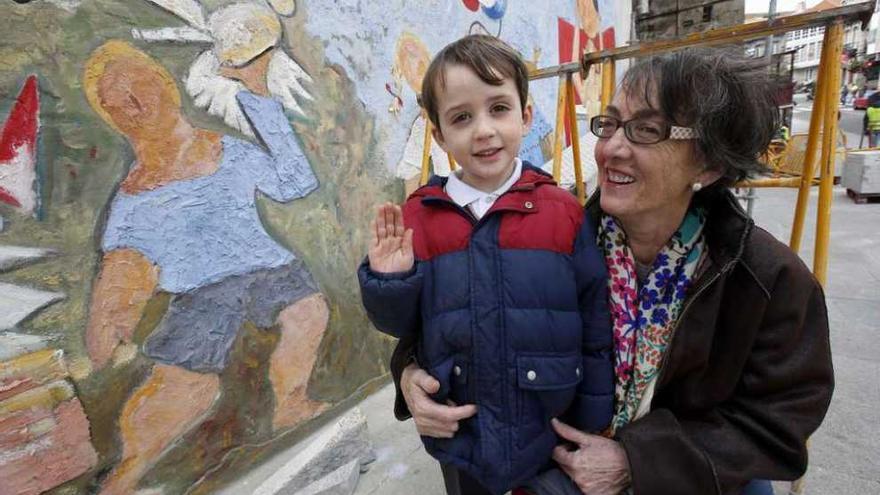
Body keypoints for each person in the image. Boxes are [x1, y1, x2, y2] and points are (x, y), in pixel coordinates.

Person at [393, 47, 835, 495]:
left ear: (708, 162)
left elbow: (776, 426)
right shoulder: (557, 236)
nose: (611, 149)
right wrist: (410, 374)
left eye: (646, 130)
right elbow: (465, 311)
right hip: (547, 465)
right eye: (610, 124)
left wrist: (635, 461)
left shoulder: (765, 279)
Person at [358, 34, 613, 495]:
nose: (483, 130)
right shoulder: (419, 215)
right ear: (439, 134)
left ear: (526, 114)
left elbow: (594, 320)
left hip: (549, 428)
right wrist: (388, 281)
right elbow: (403, 327)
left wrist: (594, 419)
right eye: (461, 117)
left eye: (499, 108)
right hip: (461, 436)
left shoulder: (562, 210)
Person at [83, 41, 329, 494]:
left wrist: (259, 95)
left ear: (165, 84)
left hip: (268, 269)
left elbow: (296, 182)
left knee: (307, 310)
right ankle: (126, 475)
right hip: (198, 294)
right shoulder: (132, 201)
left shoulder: (227, 152)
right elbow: (122, 273)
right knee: (183, 387)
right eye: (118, 102)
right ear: (112, 118)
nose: (136, 104)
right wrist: (109, 322)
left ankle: (291, 401)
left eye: (141, 87)